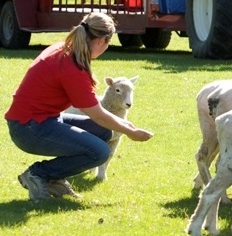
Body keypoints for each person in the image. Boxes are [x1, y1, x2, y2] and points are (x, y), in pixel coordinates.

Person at [5, 11, 154, 201]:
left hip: (42, 120)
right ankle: (38, 174)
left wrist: (127, 126)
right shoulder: (71, 65)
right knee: (100, 151)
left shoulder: (66, 50)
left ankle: (54, 178)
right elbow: (97, 114)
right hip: (29, 128)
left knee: (105, 132)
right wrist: (129, 132)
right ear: (101, 41)